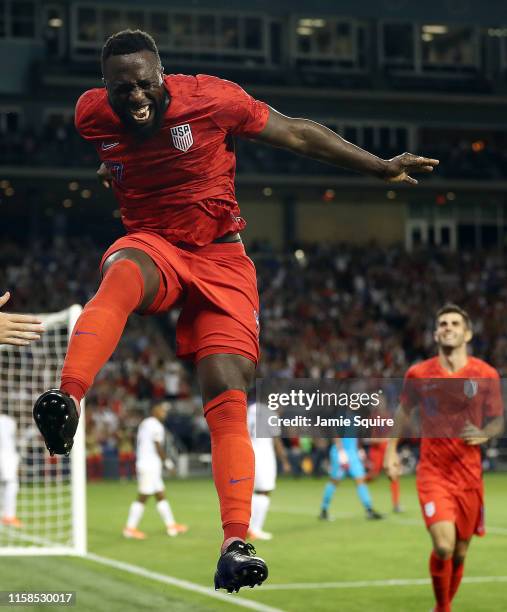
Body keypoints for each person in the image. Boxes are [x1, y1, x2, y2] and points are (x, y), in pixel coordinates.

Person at [31, 29, 438, 592]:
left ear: (162, 74)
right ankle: (67, 398)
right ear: (106, 89)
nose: (137, 97)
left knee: (227, 389)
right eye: (123, 89)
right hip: (154, 244)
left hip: (221, 259)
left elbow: (295, 133)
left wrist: (379, 167)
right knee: (122, 273)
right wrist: (115, 169)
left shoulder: (212, 99)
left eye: (146, 84)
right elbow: (116, 152)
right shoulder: (90, 116)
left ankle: (234, 543)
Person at [384, 304, 504, 612]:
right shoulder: (419, 374)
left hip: (470, 477)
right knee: (444, 545)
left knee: (461, 552)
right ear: (436, 332)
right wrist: (390, 451)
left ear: (467, 333)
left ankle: (441, 607)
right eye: (442, 323)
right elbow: (402, 412)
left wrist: (485, 433)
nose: (448, 327)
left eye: (454, 323)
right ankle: (444, 608)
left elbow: (497, 420)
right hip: (433, 474)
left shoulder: (485, 374)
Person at [123, 401, 187, 539]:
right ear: (154, 411)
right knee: (143, 497)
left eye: (165, 411)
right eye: (161, 410)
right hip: (149, 465)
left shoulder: (146, 422)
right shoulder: (155, 425)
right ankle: (129, 528)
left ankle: (171, 525)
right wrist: (168, 464)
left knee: (160, 494)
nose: (164, 413)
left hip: (148, 463)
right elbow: (157, 446)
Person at [246, 399, 290, 541]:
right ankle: (255, 529)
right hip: (264, 454)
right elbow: (276, 440)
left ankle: (247, 526)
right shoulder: (270, 414)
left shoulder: (251, 409)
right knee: (264, 490)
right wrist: (284, 461)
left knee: (254, 491)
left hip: (249, 451)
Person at [319, 437, 383, 520]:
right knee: (334, 481)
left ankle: (369, 510)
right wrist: (341, 453)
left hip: (353, 453)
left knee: (361, 480)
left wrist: (360, 451)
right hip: (339, 452)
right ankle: (324, 510)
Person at [0, 407, 22, 527]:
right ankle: (9, 516)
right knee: (11, 485)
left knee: (4, 486)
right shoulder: (9, 422)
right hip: (6, 457)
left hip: (5, 456)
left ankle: (4, 515)